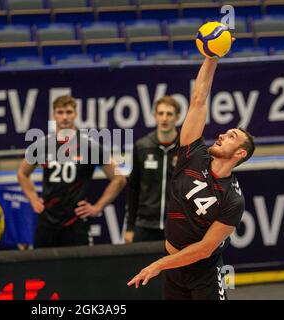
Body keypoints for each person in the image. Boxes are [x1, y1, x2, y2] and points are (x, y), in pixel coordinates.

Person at [127, 56, 255, 300]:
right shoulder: (193, 154)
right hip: (174, 268)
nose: (221, 134)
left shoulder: (232, 199)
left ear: (240, 153)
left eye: (231, 136)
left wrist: (159, 265)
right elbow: (198, 99)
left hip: (203, 271)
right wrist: (211, 58)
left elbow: (205, 249)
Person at [17, 95, 127, 248]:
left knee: (78, 270)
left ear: (75, 114)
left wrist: (97, 207)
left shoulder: (90, 147)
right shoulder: (42, 146)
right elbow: (22, 173)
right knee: (42, 269)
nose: (64, 117)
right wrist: (33, 199)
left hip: (76, 220)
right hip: (48, 219)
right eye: (60, 112)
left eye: (69, 112)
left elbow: (119, 178)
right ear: (53, 115)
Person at [125, 96, 180, 243]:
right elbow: (133, 188)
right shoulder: (142, 146)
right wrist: (129, 227)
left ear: (177, 117)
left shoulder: (186, 148)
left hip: (177, 226)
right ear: (154, 116)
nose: (164, 118)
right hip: (145, 225)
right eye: (160, 113)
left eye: (169, 114)